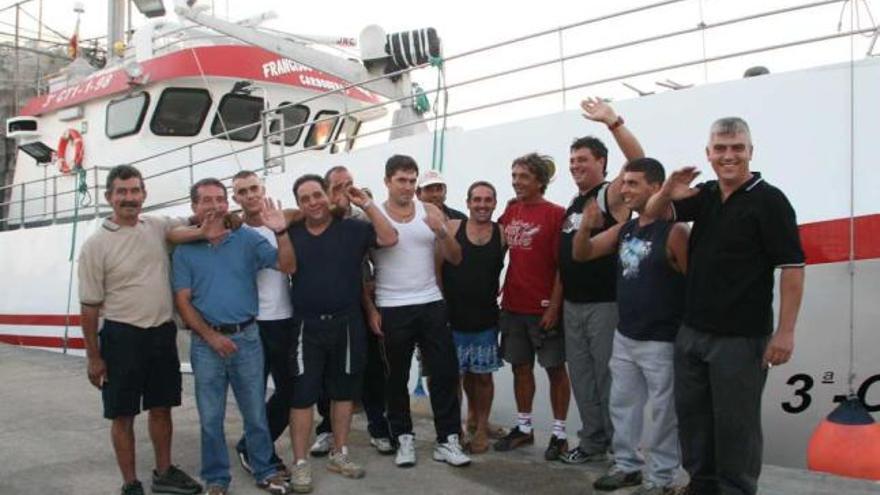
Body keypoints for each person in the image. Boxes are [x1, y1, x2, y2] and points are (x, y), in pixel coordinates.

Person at [644, 117, 805, 495]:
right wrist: (668, 188)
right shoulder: (706, 194)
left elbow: (793, 269)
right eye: (720, 148)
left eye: (737, 148)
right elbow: (651, 213)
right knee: (694, 421)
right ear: (709, 154)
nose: (728, 156)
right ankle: (701, 486)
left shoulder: (771, 201)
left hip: (742, 337)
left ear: (751, 151)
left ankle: (736, 490)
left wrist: (785, 332)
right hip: (693, 332)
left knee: (737, 426)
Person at [78, 165, 202, 495]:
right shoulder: (95, 245)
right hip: (122, 338)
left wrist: (227, 218)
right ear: (109, 197)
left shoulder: (158, 226)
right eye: (122, 192)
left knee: (162, 408)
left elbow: (193, 222)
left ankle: (163, 472)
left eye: (135, 191)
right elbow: (89, 308)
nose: (129, 198)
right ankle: (130, 483)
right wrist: (93, 357)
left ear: (144, 195)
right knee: (123, 414)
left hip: (161, 335)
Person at [572, 158, 688, 495]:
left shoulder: (674, 232)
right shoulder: (625, 229)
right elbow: (584, 254)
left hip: (662, 339)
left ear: (655, 188)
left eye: (633, 184)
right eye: (624, 183)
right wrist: (585, 227)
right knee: (622, 404)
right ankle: (627, 466)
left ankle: (662, 477)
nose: (624, 190)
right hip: (626, 336)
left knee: (665, 413)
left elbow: (693, 283)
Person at [172, 178, 295, 495]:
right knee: (210, 418)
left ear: (228, 203)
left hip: (248, 338)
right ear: (194, 207)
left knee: (255, 413)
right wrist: (211, 337)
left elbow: (287, 265)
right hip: (205, 345)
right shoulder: (185, 250)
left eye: (220, 199)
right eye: (206, 200)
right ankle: (216, 479)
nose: (214, 205)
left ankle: (265, 470)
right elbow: (183, 302)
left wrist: (281, 232)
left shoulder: (246, 238)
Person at [285, 173, 398, 492]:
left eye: (317, 195)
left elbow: (389, 238)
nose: (312, 202)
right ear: (299, 204)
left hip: (347, 323)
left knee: (343, 393)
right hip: (306, 325)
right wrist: (287, 220)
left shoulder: (354, 229)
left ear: (328, 196)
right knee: (303, 395)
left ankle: (340, 452)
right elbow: (280, 243)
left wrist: (367, 203)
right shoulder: (292, 230)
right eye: (304, 198)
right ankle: (301, 463)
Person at [365, 154, 471, 468]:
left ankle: (447, 439)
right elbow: (360, 270)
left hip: (431, 302)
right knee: (395, 378)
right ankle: (404, 438)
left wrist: (441, 232)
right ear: (387, 182)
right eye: (401, 180)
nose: (408, 187)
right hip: (392, 306)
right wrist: (370, 309)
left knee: (444, 373)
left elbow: (456, 258)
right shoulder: (374, 216)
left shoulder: (430, 210)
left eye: (413, 181)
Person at [558, 98, 645, 464]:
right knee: (582, 379)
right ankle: (592, 441)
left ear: (602, 164)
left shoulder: (609, 195)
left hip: (604, 304)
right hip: (573, 306)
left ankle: (618, 449)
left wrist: (613, 123)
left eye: (584, 160)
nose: (576, 166)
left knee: (610, 381)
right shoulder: (574, 205)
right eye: (573, 160)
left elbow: (638, 163)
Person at [309, 166, 395, 458]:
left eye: (349, 185)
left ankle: (378, 426)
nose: (344, 192)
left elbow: (386, 243)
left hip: (358, 305)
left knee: (371, 368)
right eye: (337, 187)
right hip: (323, 309)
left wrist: (372, 295)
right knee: (325, 372)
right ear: (325, 191)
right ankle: (327, 429)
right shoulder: (314, 221)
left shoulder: (360, 220)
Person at [493, 153, 571, 462]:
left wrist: (554, 306)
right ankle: (524, 427)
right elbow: (495, 247)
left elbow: (563, 267)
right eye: (514, 175)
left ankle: (560, 434)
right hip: (512, 306)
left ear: (540, 180)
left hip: (542, 308)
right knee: (520, 368)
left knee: (554, 369)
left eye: (523, 176)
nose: (516, 181)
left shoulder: (556, 214)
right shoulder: (510, 211)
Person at [228, 170, 298, 477]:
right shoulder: (232, 231)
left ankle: (252, 445)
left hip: (284, 320)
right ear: (236, 199)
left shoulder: (283, 220)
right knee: (253, 395)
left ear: (263, 189)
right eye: (243, 191)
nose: (250, 194)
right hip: (251, 325)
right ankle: (261, 454)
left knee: (290, 391)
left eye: (254, 188)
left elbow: (311, 213)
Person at [440, 181, 506, 454]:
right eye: (476, 199)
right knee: (455, 377)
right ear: (467, 203)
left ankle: (480, 427)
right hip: (453, 318)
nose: (482, 205)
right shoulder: (454, 228)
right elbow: (437, 267)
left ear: (494, 203)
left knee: (482, 377)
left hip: (486, 319)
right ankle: (456, 427)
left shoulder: (501, 233)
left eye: (487, 200)